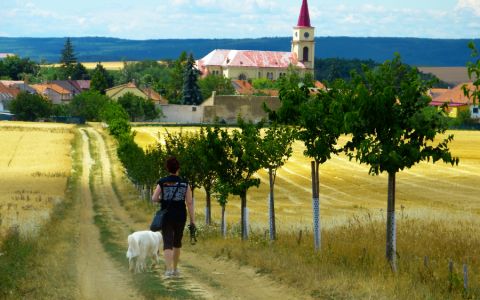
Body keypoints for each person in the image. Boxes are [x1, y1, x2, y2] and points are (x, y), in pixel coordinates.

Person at [151, 156, 195, 277]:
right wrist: (192, 220)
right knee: (177, 243)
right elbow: (190, 203)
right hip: (180, 215)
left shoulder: (162, 182)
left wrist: (162, 200)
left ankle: (168, 270)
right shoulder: (184, 183)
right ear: (178, 168)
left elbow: (154, 198)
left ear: (167, 168)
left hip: (167, 215)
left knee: (168, 242)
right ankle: (175, 269)